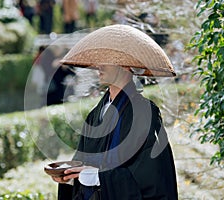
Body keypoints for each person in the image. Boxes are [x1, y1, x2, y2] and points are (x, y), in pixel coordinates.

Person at [49, 24, 178, 199]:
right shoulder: (96, 114)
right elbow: (82, 161)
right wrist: (70, 177)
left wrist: (98, 177)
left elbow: (152, 177)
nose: (98, 66)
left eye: (106, 60)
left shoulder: (144, 113)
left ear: (126, 65)